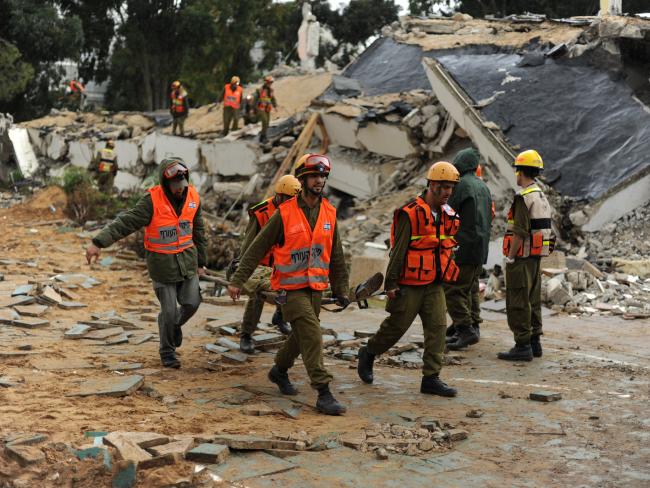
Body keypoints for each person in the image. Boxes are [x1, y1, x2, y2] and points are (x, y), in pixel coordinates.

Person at [228, 154, 350, 415]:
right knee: (312, 333)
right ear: (303, 179)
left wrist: (341, 289)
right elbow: (257, 246)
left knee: (300, 336)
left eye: (322, 176)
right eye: (314, 176)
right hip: (289, 288)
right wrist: (238, 280)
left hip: (316, 286)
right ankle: (323, 391)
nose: (319, 181)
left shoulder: (329, 212)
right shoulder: (285, 213)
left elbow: (336, 254)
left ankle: (279, 370)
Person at [85, 158, 207, 369]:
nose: (180, 191)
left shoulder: (194, 197)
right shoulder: (151, 201)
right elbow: (126, 222)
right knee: (168, 311)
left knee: (192, 304)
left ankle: (174, 326)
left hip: (187, 262)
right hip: (162, 266)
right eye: (176, 188)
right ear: (166, 183)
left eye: (182, 186)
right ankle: (167, 351)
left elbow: (199, 232)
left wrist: (202, 262)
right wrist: (98, 242)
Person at [357, 162, 461, 397]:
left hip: (434, 283)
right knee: (395, 328)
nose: (447, 192)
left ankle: (431, 378)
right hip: (409, 284)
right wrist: (391, 284)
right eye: (444, 187)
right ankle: (369, 352)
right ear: (432, 184)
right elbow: (398, 250)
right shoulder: (410, 213)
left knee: (438, 328)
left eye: (451, 188)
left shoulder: (447, 215)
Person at [498, 149, 555, 362]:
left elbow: (519, 232)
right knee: (532, 299)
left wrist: (510, 257)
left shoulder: (523, 198)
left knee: (518, 300)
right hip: (535, 257)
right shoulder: (541, 195)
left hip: (521, 258)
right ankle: (534, 342)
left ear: (520, 172)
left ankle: (522, 345)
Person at [237, 174, 302, 354]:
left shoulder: (295, 211)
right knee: (257, 296)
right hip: (261, 262)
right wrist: (244, 269)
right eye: (288, 199)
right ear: (279, 195)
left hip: (282, 261)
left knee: (290, 288)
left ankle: (280, 316)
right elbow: (249, 242)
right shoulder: (262, 211)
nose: (291, 202)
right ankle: (246, 334)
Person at [445, 148, 493, 350]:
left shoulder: (461, 186)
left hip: (463, 246)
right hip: (480, 248)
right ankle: (473, 324)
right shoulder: (483, 187)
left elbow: (448, 213)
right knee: (471, 287)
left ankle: (465, 330)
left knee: (453, 289)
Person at [255, 75, 277, 143]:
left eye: (271, 83)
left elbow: (273, 99)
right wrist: (253, 108)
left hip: (267, 108)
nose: (270, 84)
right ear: (266, 82)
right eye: (269, 82)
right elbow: (255, 99)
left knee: (267, 123)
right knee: (264, 121)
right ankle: (263, 137)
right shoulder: (260, 89)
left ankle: (263, 136)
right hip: (261, 108)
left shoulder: (271, 90)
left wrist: (275, 106)